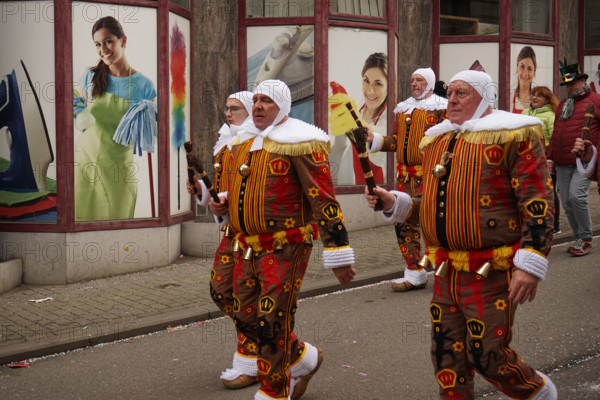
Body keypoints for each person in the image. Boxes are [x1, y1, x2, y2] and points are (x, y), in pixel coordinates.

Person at [365, 70, 557, 399]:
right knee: (446, 356)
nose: (451, 99)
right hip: (445, 270)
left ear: (483, 98)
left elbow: (538, 202)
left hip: (491, 270)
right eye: (450, 92)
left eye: (461, 93)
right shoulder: (439, 139)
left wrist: (532, 261)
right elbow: (431, 205)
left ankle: (539, 393)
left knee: (488, 355)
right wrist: (394, 202)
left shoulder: (513, 135)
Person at [209, 79, 356, 400]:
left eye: (267, 101)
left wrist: (338, 251)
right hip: (243, 243)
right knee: (241, 310)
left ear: (283, 107)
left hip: (285, 247)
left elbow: (323, 199)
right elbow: (241, 190)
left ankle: (274, 390)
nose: (259, 106)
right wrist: (222, 201)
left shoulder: (301, 141)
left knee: (271, 319)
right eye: (256, 100)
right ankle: (302, 357)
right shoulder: (244, 141)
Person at [187, 91, 259, 389]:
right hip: (231, 233)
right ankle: (267, 339)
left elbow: (254, 190)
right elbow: (220, 190)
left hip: (256, 235)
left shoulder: (256, 144)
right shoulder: (223, 146)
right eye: (226, 108)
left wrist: (225, 200)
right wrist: (204, 193)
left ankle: (252, 359)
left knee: (246, 299)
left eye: (235, 108)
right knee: (220, 290)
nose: (228, 114)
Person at [366, 67, 447, 292]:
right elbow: (395, 141)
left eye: (419, 80)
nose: (414, 83)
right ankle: (414, 273)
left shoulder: (442, 107)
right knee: (403, 224)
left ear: (429, 83)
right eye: (412, 80)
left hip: (431, 175)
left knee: (433, 224)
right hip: (404, 177)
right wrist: (375, 138)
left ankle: (444, 272)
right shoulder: (403, 109)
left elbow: (450, 140)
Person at [73, 16, 157, 221]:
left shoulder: (145, 86)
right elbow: (81, 120)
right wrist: (75, 110)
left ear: (123, 41)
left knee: (116, 225)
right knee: (82, 221)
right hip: (85, 165)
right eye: (97, 44)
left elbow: (151, 134)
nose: (103, 49)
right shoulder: (89, 77)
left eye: (108, 41)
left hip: (119, 171)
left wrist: (151, 112)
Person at [546, 60, 600, 256]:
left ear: (583, 80)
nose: (570, 86)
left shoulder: (595, 100)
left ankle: (586, 238)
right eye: (567, 84)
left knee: (576, 197)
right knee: (567, 203)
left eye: (573, 83)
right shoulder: (563, 104)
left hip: (584, 161)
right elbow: (556, 134)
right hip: (562, 162)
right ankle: (578, 237)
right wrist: (550, 158)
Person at [328, 52, 388, 185]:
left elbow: (380, 143)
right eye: (366, 80)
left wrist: (354, 120)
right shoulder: (359, 108)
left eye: (378, 84)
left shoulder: (392, 118)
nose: (370, 91)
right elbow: (339, 150)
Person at [522, 86, 561, 233]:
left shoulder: (551, 116)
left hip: (545, 158)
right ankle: (535, 222)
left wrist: (551, 160)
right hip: (527, 158)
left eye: (539, 95)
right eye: (533, 94)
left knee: (549, 192)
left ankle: (555, 225)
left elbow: (555, 140)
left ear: (547, 99)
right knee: (531, 191)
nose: (535, 97)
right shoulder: (525, 113)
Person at [511, 46, 537, 114]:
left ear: (534, 72)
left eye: (529, 69)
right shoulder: (508, 99)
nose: (525, 73)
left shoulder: (540, 102)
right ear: (517, 68)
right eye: (522, 67)